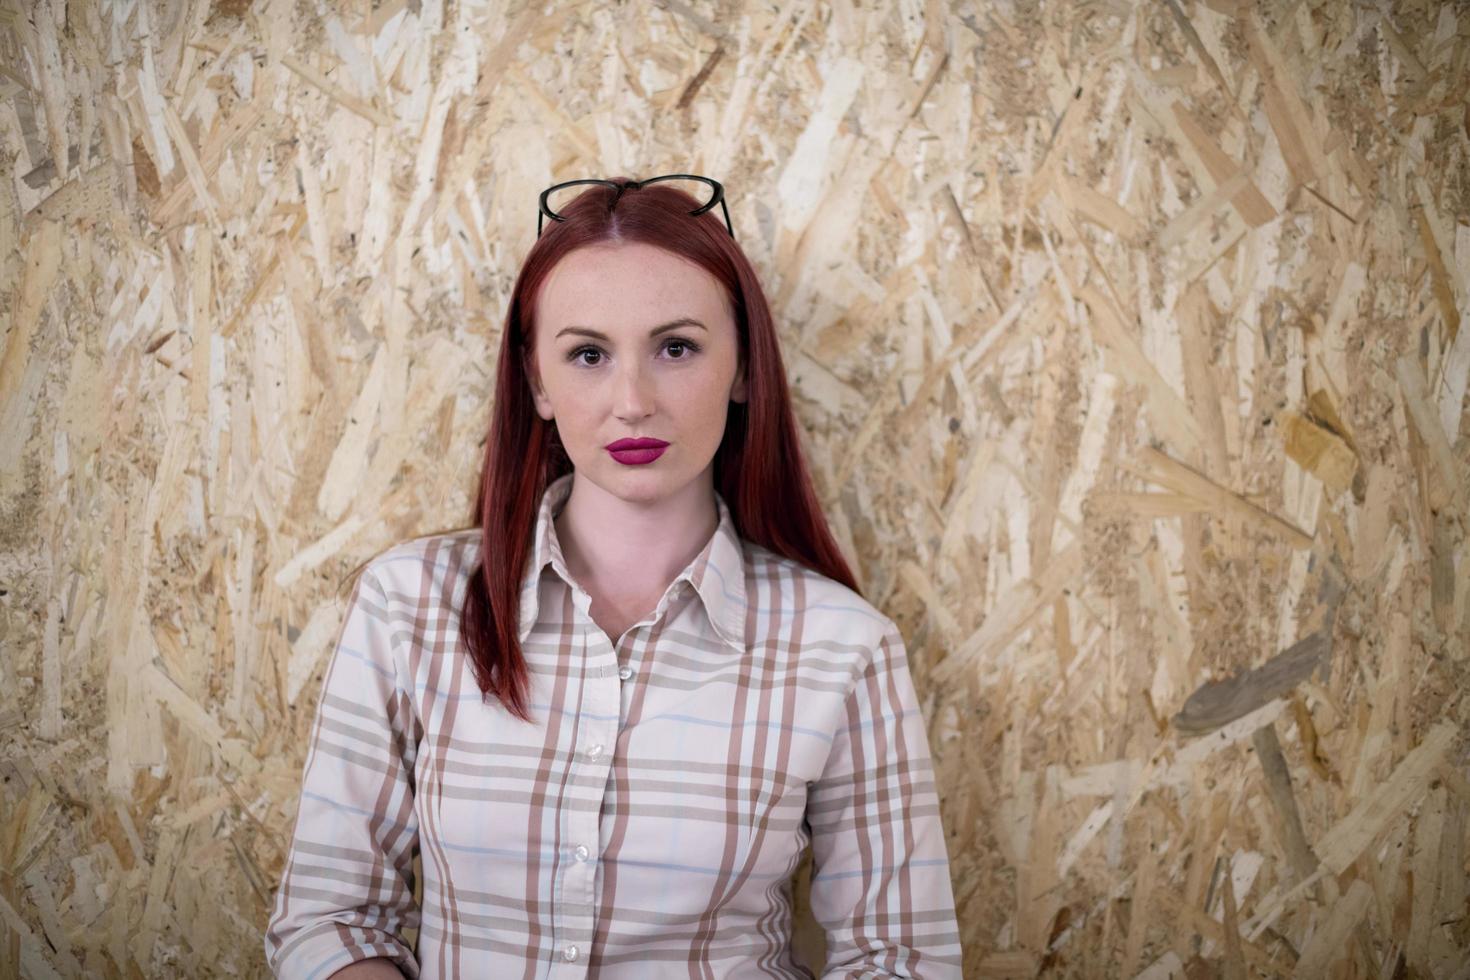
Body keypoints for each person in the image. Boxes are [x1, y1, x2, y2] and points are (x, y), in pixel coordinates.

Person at [263, 175, 963, 978]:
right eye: (588, 355)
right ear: (536, 383)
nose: (632, 402)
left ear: (743, 370)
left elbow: (899, 958)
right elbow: (333, 916)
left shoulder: (844, 649)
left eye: (676, 348)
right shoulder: (408, 604)